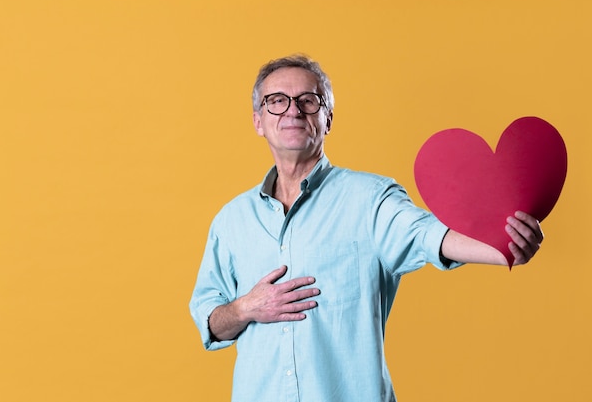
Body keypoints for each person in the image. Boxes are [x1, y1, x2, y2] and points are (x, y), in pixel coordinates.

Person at [189, 54, 543, 402]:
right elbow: (211, 321)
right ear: (258, 121)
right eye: (277, 101)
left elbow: (426, 235)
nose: (293, 111)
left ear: (328, 119)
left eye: (309, 101)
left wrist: (502, 247)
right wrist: (245, 308)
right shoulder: (231, 220)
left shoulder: (370, 199)